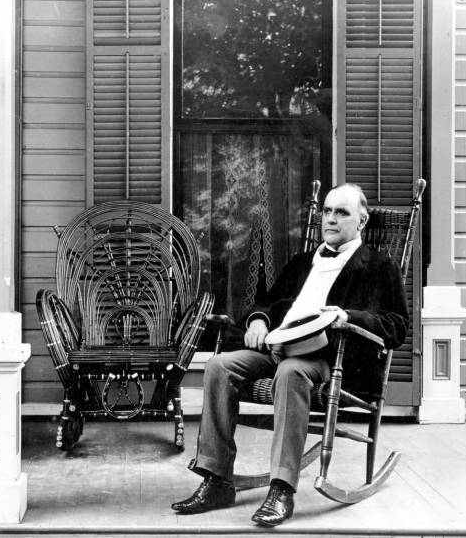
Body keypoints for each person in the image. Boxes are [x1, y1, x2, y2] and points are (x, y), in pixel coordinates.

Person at [171, 183, 409, 526]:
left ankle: (281, 488)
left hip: (330, 359)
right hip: (279, 347)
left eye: (341, 212)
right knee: (219, 366)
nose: (330, 218)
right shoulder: (302, 262)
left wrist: (347, 317)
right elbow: (267, 300)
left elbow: (397, 326)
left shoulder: (378, 267)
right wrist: (258, 320)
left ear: (362, 220)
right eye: (326, 211)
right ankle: (217, 479)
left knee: (291, 373)